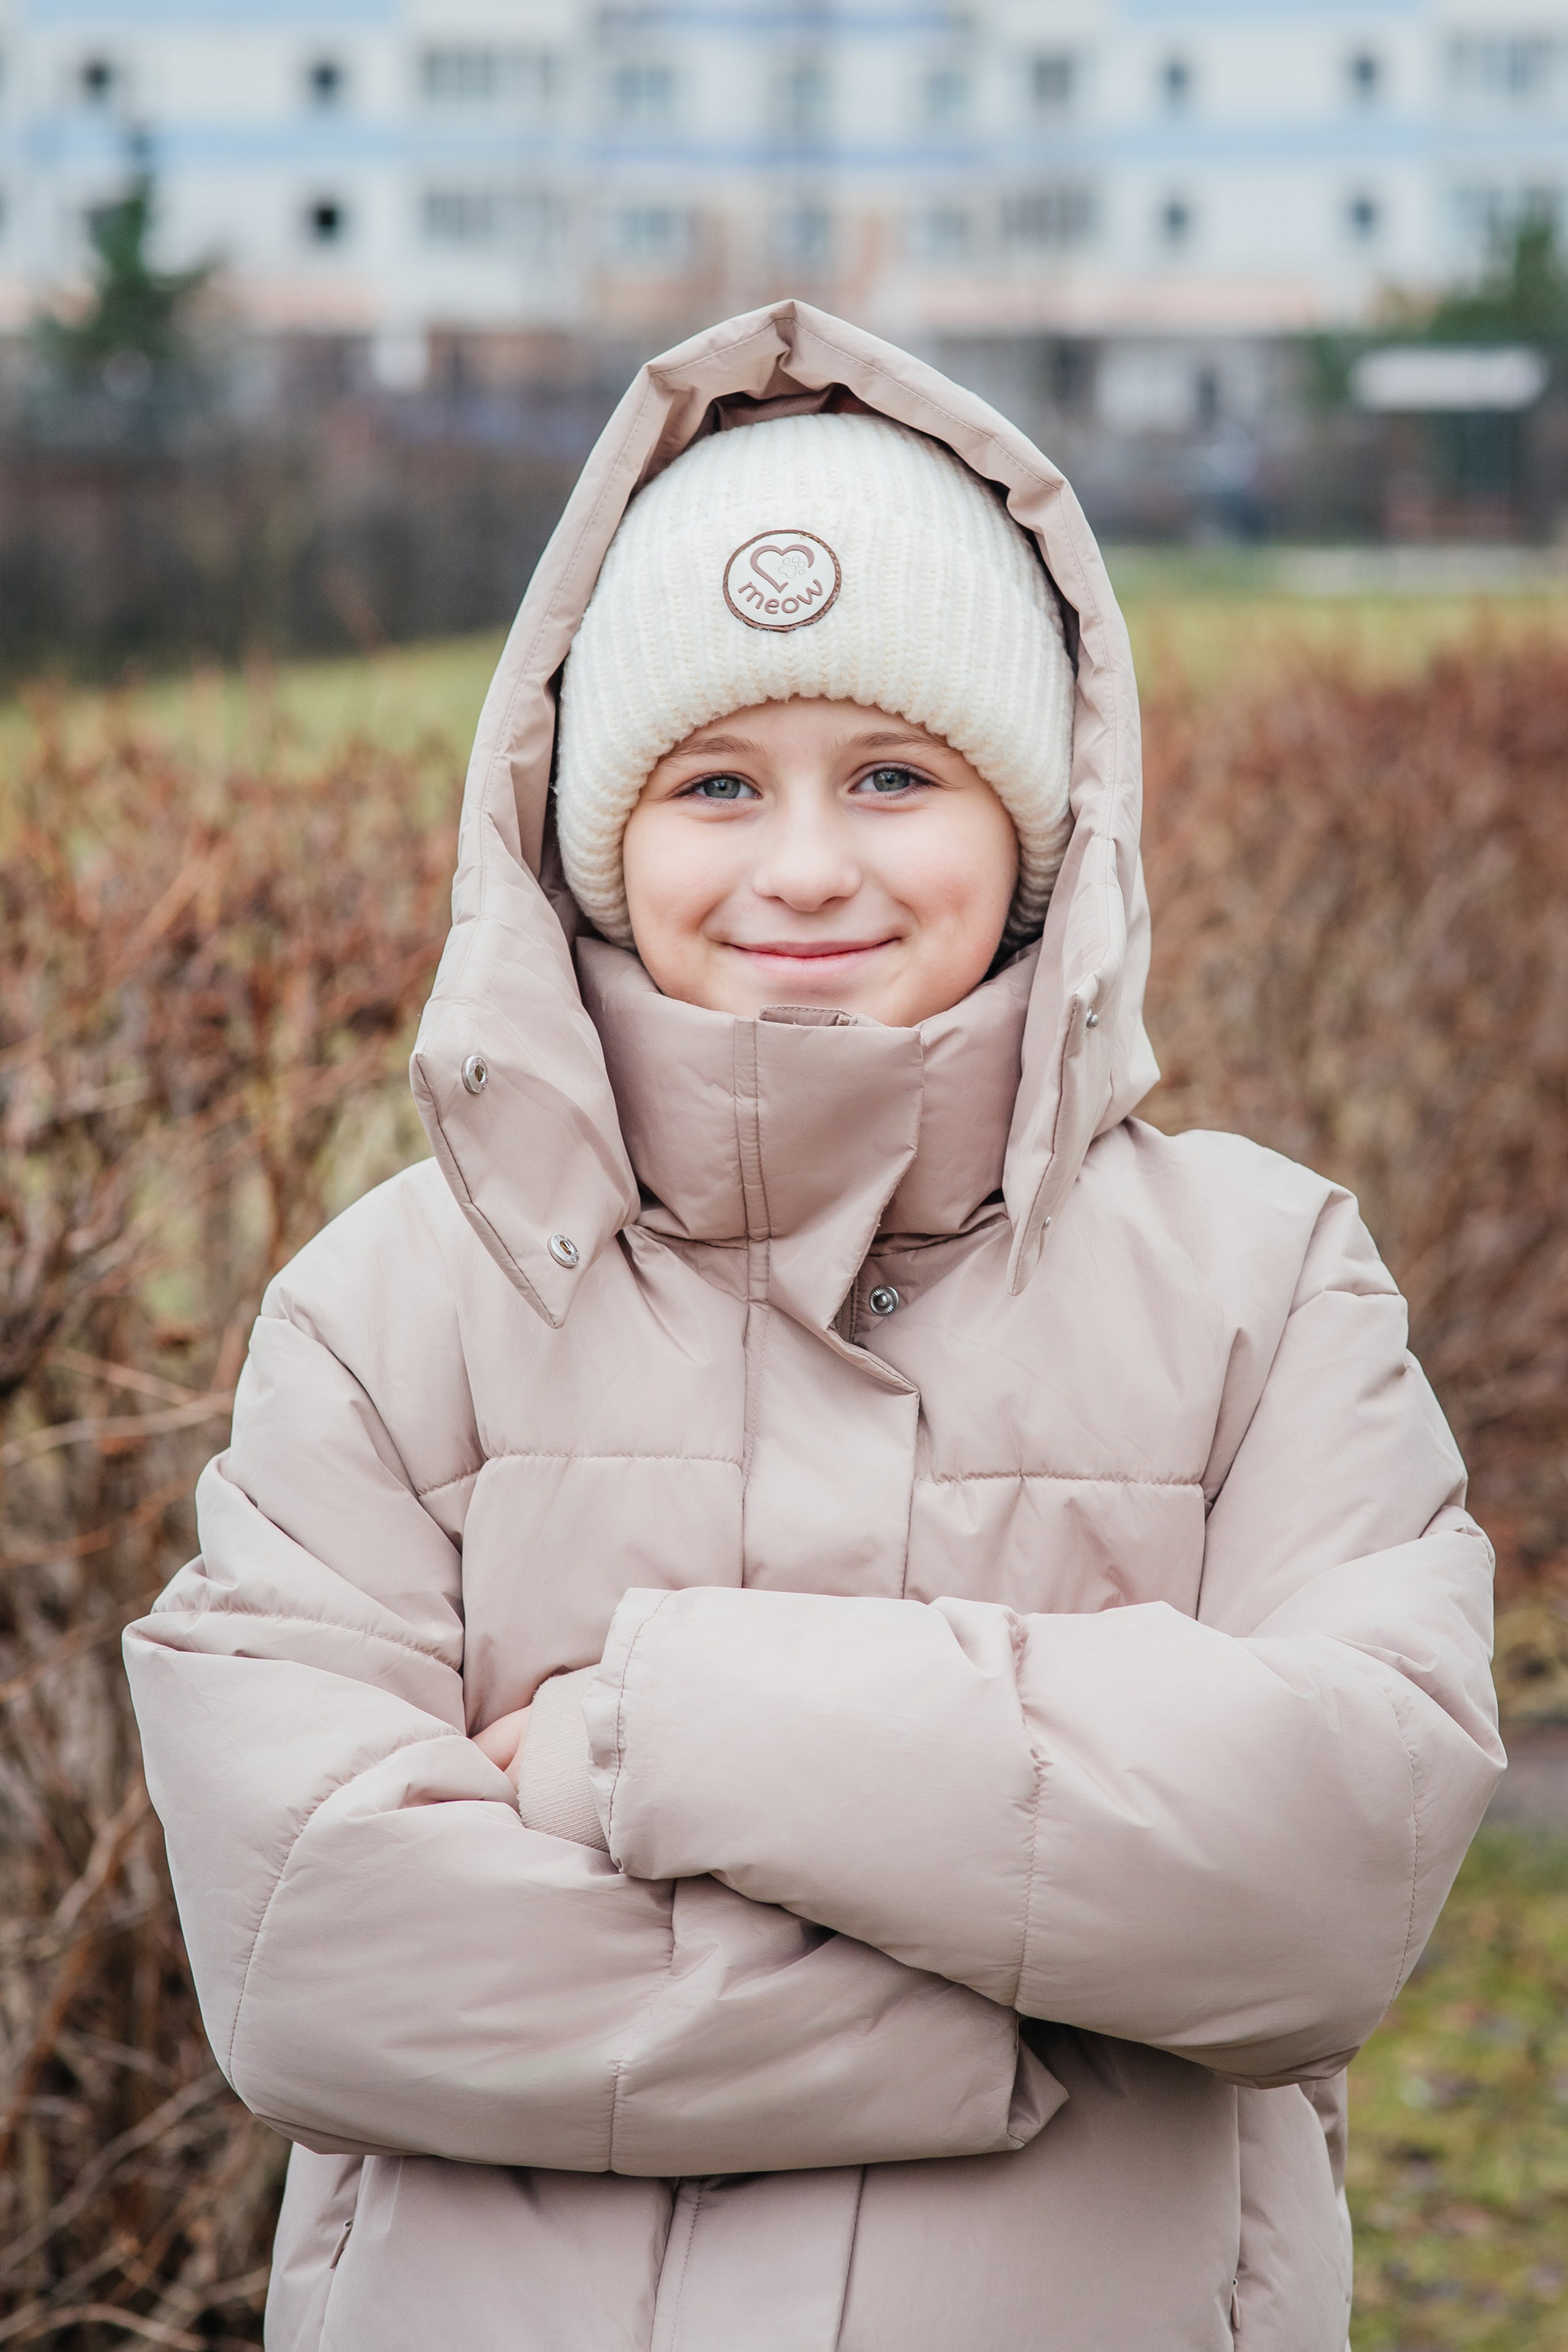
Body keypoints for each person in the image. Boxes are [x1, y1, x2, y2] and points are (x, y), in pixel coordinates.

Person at [124, 302, 1502, 2352]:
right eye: (710, 784)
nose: (804, 868)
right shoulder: (390, 1305)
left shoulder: (1263, 1279)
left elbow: (1328, 1876)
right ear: (595, 837)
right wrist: (1013, 1995)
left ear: (1035, 828)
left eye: (891, 772)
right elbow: (311, 1942)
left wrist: (646, 1733)